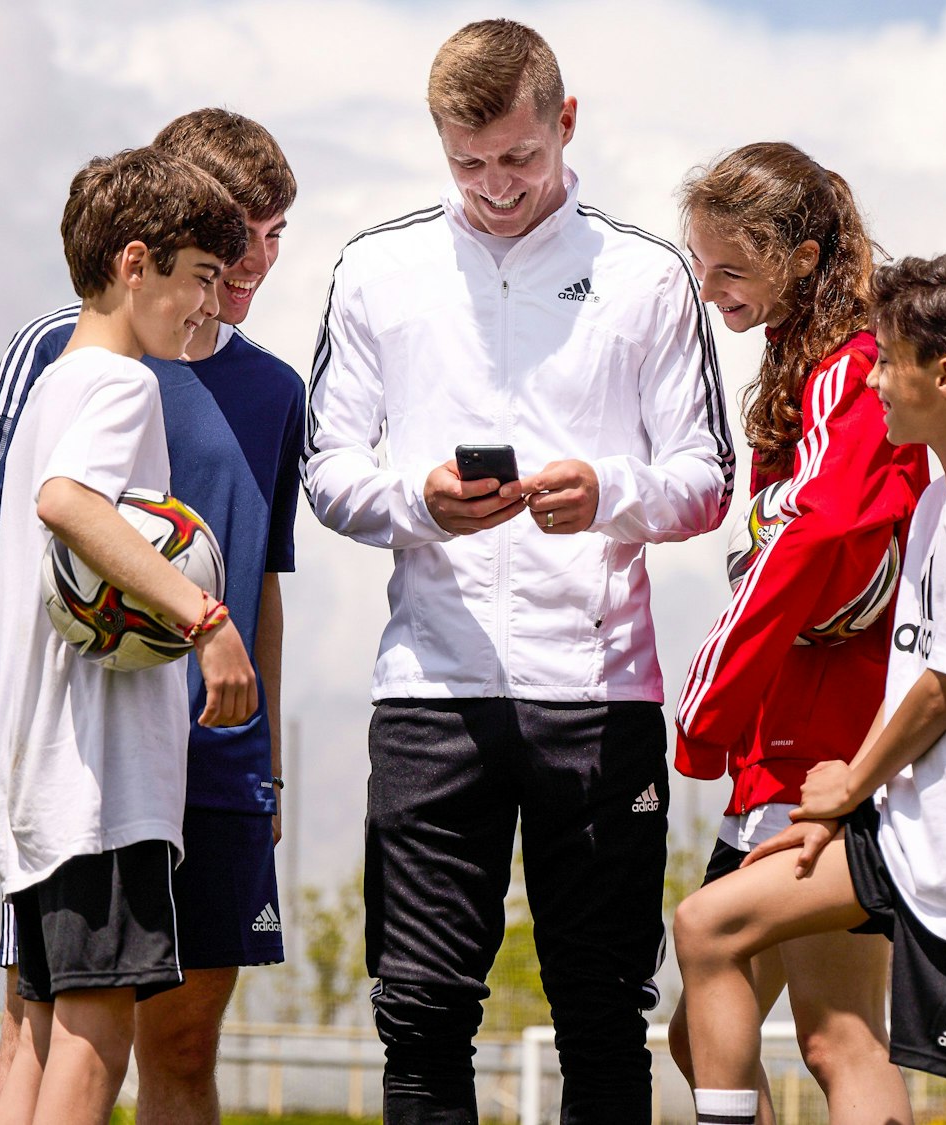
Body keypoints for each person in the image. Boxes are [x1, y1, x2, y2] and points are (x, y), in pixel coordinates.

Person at [303, 18, 733, 1122]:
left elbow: (706, 477)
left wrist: (609, 493)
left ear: (566, 122)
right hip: (429, 692)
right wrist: (420, 503)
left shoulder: (647, 275)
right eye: (468, 163)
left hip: (598, 696)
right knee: (420, 1014)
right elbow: (327, 469)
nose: (496, 187)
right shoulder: (376, 268)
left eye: (518, 157)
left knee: (602, 1014)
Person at [0, 110, 303, 1125]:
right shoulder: (92, 371)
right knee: (72, 1035)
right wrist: (200, 618)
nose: (237, 275)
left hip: (172, 766)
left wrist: (265, 753)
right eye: (212, 260)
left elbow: (259, 578)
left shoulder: (266, 388)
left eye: (269, 237)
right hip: (98, 769)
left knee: (147, 1037)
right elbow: (43, 512)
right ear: (141, 258)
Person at [674, 255, 946, 1125]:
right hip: (904, 832)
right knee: (708, 924)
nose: (873, 378)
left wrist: (850, 782)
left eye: (888, 360)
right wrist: (851, 802)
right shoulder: (939, 500)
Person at [667, 142, 927, 1125]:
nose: (710, 289)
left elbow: (813, 536)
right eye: (702, 264)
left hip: (823, 747)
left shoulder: (850, 369)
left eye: (731, 267)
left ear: (803, 258)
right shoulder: (808, 362)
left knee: (836, 1036)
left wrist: (706, 707)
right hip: (787, 745)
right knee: (726, 1030)